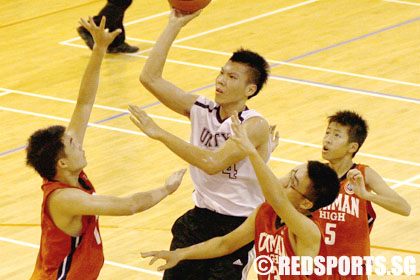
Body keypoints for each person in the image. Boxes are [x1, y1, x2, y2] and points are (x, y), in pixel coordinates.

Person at [26, 17, 186, 280]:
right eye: (72, 143)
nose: (78, 141)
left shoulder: (65, 171)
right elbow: (128, 205)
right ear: (62, 162)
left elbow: (84, 103)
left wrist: (99, 49)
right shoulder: (66, 199)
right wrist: (166, 189)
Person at [132, 8, 273, 279]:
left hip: (238, 226)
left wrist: (161, 133)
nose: (220, 80)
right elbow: (149, 78)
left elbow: (212, 163)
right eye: (221, 73)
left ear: (249, 90)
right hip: (199, 219)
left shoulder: (254, 125)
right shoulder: (201, 108)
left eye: (232, 77)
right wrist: (174, 25)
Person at [141, 113, 341, 280]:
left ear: (306, 202)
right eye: (290, 175)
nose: (284, 182)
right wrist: (181, 254)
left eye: (293, 183)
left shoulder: (308, 231)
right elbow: (225, 244)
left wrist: (252, 152)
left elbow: (276, 196)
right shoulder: (265, 212)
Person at [313, 110, 411, 279]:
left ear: (352, 147)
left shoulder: (364, 174)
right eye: (327, 132)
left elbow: (404, 208)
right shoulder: (313, 174)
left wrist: (367, 196)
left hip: (351, 269)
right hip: (317, 266)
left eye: (336, 135)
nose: (327, 139)